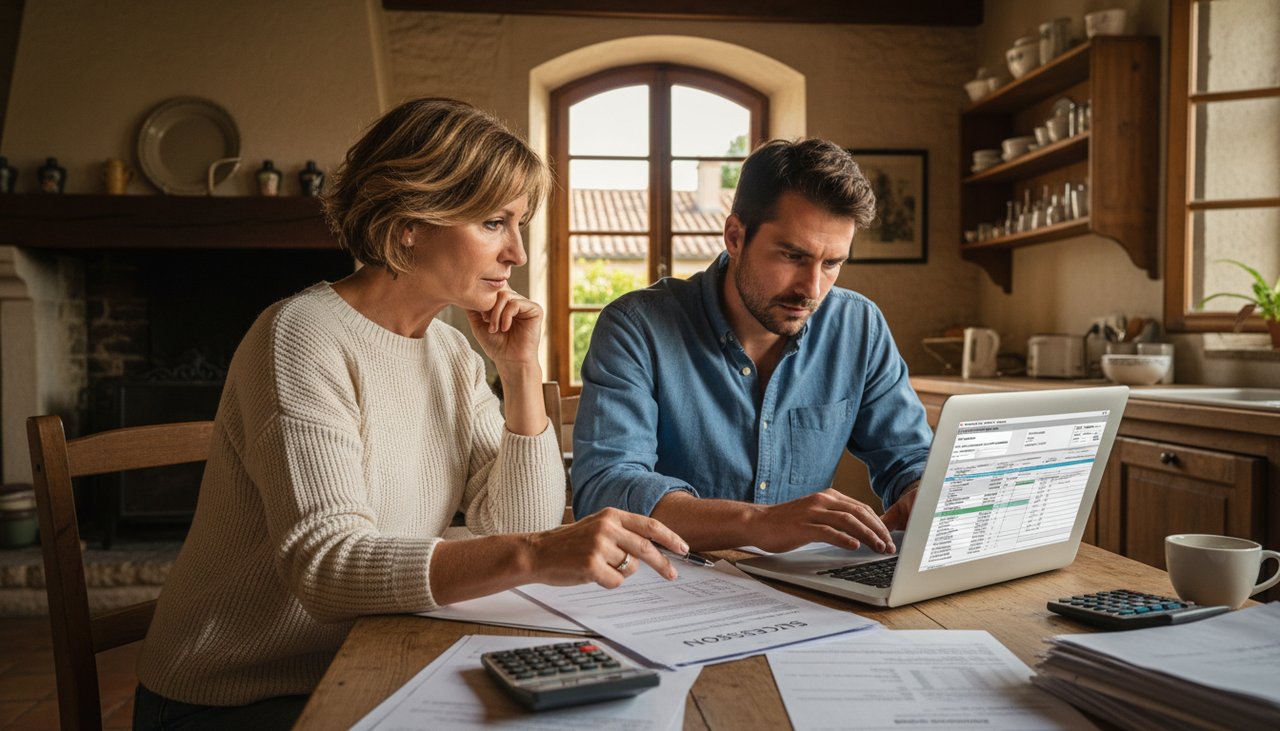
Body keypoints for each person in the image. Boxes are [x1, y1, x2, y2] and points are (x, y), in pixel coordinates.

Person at [133, 98, 687, 731]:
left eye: (521, 224)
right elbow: (327, 566)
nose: (518, 254)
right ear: (408, 223)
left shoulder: (452, 351)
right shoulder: (301, 336)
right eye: (493, 222)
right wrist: (535, 554)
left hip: (370, 659)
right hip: (232, 694)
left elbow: (513, 520)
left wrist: (519, 372)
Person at [572, 138, 932, 555]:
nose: (812, 289)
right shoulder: (636, 327)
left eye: (832, 263)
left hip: (807, 593)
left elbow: (910, 457)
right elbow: (605, 489)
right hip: (670, 586)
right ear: (735, 236)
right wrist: (757, 524)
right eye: (792, 256)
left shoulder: (859, 326)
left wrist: (920, 489)